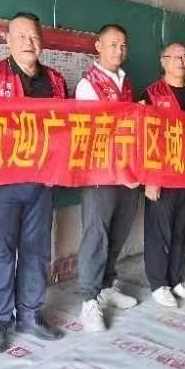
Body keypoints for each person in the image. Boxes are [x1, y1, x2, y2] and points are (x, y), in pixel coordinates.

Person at [0, 12, 68, 352]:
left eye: (34, 36)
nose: (28, 42)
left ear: (42, 42)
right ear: (7, 41)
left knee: (37, 251)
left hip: (41, 182)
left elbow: (70, 127)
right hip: (1, 183)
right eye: (21, 36)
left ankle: (30, 314)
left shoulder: (55, 81)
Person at [75, 24, 140, 331]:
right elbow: (95, 133)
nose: (119, 50)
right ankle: (89, 301)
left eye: (123, 45)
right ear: (98, 46)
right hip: (101, 172)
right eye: (113, 44)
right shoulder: (88, 84)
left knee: (119, 231)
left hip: (127, 172)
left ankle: (106, 285)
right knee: (97, 234)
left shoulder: (126, 82)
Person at [141, 42, 185, 308]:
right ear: (163, 62)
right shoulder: (151, 94)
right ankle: (158, 284)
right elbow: (145, 137)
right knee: (160, 232)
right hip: (163, 174)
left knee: (182, 230)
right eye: (175, 57)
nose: (181, 61)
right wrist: (150, 177)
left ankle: (177, 279)